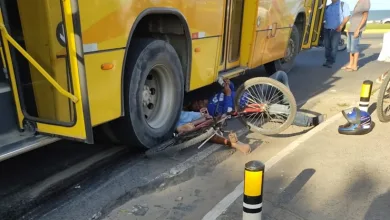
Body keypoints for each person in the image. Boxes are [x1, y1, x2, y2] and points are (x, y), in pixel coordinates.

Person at [176, 71, 325, 154]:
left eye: (198, 100)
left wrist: (229, 85)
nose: (200, 102)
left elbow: (233, 90)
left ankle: (285, 102)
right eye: (196, 105)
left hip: (250, 91)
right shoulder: (212, 110)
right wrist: (227, 94)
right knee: (282, 112)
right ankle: (310, 121)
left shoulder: (212, 98)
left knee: (281, 75)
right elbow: (228, 112)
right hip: (248, 104)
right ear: (198, 109)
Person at [342, 0, 370, 72]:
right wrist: (349, 28)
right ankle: (350, 64)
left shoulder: (365, 2)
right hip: (352, 28)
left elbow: (365, 17)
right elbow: (354, 16)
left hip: (357, 28)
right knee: (350, 47)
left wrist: (358, 29)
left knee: (355, 47)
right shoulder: (359, 2)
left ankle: (354, 66)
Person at [323, 0, 351, 68]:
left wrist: (341, 26)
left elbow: (347, 17)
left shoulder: (343, 5)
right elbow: (323, 18)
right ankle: (327, 60)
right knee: (327, 46)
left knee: (334, 46)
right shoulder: (328, 7)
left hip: (336, 29)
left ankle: (331, 61)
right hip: (327, 29)